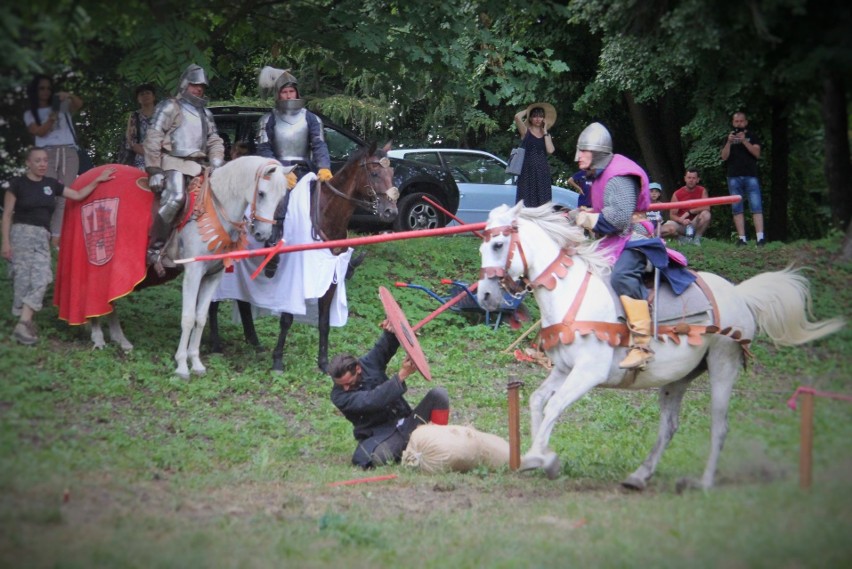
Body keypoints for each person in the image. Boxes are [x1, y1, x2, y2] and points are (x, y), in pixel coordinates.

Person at [573, 122, 696, 369]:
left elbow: (617, 220)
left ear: (597, 152)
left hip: (634, 238)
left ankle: (642, 345)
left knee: (622, 275)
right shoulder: (599, 175)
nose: (578, 157)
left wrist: (580, 217)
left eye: (583, 151)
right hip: (611, 240)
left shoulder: (620, 176)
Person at [2, 147, 114, 345]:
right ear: (28, 162)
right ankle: (24, 324)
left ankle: (23, 322)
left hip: (42, 236)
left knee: (43, 277)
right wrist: (5, 243)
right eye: (38, 161)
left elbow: (78, 195)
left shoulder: (52, 184)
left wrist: (98, 180)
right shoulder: (17, 184)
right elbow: (6, 215)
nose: (43, 164)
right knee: (22, 279)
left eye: (45, 160)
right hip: (21, 234)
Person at [329, 319, 450, 469]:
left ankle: (440, 444)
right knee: (378, 458)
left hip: (408, 422)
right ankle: (415, 443)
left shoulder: (368, 364)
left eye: (349, 382)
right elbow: (372, 400)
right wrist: (401, 376)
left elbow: (383, 349)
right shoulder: (339, 396)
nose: (345, 388)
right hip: (382, 435)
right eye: (341, 385)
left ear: (358, 369)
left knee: (439, 395)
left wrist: (392, 330)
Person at [143, 63, 225, 267]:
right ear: (185, 84)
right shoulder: (170, 106)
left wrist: (216, 162)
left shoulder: (206, 113)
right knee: (175, 198)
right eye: (195, 85)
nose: (199, 89)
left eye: (202, 86)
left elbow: (214, 140)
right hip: (174, 162)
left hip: (199, 166)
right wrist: (154, 169)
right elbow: (153, 136)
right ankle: (155, 249)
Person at [23, 75, 85, 246]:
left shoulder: (62, 106)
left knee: (65, 196)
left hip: (69, 152)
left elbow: (79, 104)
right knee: (48, 194)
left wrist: (69, 95)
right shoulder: (30, 113)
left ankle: (57, 239)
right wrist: (51, 118)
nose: (46, 92)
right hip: (46, 154)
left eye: (48, 88)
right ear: (35, 91)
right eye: (41, 88)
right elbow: (39, 132)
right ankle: (43, 234)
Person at [255, 67, 332, 183]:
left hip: (306, 171)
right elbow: (263, 149)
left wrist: (324, 166)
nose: (289, 96)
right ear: (278, 94)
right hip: (276, 173)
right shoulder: (267, 119)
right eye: (284, 92)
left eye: (291, 91)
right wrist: (279, 171)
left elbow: (319, 145)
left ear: (297, 92)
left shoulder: (311, 118)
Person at [720, 111, 765, 246]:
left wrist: (744, 140)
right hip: (733, 176)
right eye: (736, 122)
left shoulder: (752, 136)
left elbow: (757, 154)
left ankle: (760, 238)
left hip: (750, 175)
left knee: (756, 206)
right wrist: (729, 142)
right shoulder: (728, 137)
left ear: (745, 122)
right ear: (733, 123)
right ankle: (742, 238)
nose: (739, 124)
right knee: (737, 208)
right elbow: (724, 157)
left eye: (741, 121)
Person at [512, 103, 556, 208]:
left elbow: (550, 150)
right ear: (530, 118)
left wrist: (545, 131)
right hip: (527, 171)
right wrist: (528, 110)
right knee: (526, 201)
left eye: (540, 116)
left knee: (543, 200)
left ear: (544, 118)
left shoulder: (546, 134)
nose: (538, 119)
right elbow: (517, 117)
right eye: (535, 116)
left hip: (542, 171)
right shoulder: (526, 131)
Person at [660, 168, 712, 244]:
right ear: (685, 179)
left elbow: (707, 207)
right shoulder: (677, 194)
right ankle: (681, 239)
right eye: (689, 178)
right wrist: (681, 220)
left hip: (695, 222)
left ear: (698, 180)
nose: (691, 180)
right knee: (665, 229)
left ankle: (697, 239)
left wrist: (690, 212)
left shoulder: (702, 190)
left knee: (706, 214)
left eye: (694, 178)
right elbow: (672, 215)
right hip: (681, 224)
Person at [125, 83, 157, 170]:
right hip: (142, 156)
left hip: (163, 155)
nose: (145, 96)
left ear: (154, 97)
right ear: (138, 99)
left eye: (148, 93)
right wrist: (147, 154)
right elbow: (131, 140)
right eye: (141, 94)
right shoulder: (134, 116)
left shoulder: (162, 113)